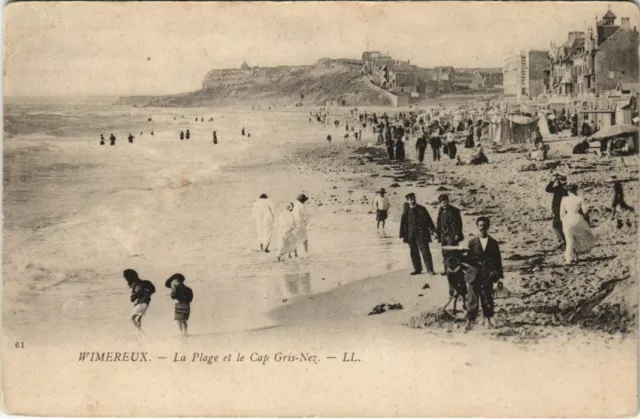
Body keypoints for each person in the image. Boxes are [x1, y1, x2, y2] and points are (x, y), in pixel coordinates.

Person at [464, 217, 503, 331]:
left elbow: (497, 260)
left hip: (487, 275)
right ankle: (469, 322)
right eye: (480, 225)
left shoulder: (493, 243)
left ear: (488, 227)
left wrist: (499, 276)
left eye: (484, 225)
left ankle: (488, 320)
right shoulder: (472, 242)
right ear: (477, 227)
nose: (482, 228)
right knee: (472, 299)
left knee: (487, 298)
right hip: (474, 274)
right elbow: (468, 259)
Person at [399, 193, 436, 275]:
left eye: (412, 198)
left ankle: (430, 269)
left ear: (415, 198)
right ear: (407, 201)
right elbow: (403, 223)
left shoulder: (422, 209)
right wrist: (403, 235)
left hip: (422, 233)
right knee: (413, 253)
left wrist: (433, 230)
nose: (411, 200)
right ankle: (417, 269)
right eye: (409, 199)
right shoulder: (406, 211)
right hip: (411, 234)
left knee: (425, 251)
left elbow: (429, 220)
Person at [560, 185, 596, 265]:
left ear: (568, 191)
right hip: (577, 218)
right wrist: (589, 210)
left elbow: (561, 214)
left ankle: (569, 259)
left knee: (569, 240)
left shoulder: (564, 199)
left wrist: (564, 222)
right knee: (580, 237)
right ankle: (577, 256)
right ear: (575, 190)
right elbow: (585, 211)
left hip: (567, 219)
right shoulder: (579, 198)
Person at [435, 194, 464, 274]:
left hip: (452, 234)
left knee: (452, 252)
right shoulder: (441, 210)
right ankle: (446, 270)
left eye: (445, 201)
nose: (444, 203)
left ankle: (454, 269)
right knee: (444, 252)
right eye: (442, 202)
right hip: (443, 235)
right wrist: (437, 233)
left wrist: (457, 233)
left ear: (448, 201)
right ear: (440, 203)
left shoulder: (455, 210)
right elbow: (439, 222)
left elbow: (459, 223)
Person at [545, 174, 568, 250]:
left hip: (558, 211)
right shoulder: (565, 189)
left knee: (556, 226)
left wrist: (552, 181)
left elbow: (548, 189)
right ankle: (565, 242)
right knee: (560, 227)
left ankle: (563, 242)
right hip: (562, 211)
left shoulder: (559, 188)